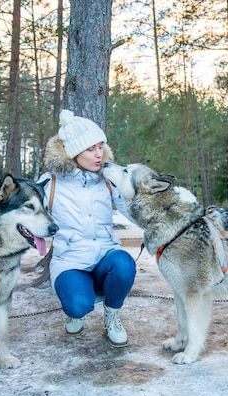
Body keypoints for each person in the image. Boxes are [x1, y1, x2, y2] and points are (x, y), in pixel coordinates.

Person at [38, 109, 136, 347]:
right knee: (78, 305)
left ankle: (112, 314)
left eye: (100, 147)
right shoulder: (48, 182)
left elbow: (135, 211)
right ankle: (76, 304)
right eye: (91, 149)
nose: (99, 155)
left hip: (105, 255)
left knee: (124, 264)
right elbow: (26, 217)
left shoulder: (108, 178)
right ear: (73, 152)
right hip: (70, 260)